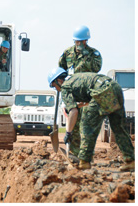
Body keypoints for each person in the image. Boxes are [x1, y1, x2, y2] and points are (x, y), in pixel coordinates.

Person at [47, 67, 135, 171]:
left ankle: (84, 161)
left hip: (101, 91)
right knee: (119, 127)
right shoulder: (76, 79)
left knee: (86, 126)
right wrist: (74, 106)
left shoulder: (65, 86)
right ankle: (131, 161)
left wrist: (68, 133)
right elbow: (86, 101)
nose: (56, 89)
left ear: (59, 81)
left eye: (54, 86)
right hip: (114, 87)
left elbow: (73, 112)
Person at [58, 25, 102, 158]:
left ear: (85, 41)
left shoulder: (94, 54)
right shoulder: (67, 53)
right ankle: (74, 153)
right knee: (74, 125)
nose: (78, 44)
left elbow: (97, 68)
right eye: (76, 41)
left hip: (87, 94)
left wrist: (85, 55)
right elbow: (61, 68)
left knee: (87, 126)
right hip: (73, 93)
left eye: (80, 41)